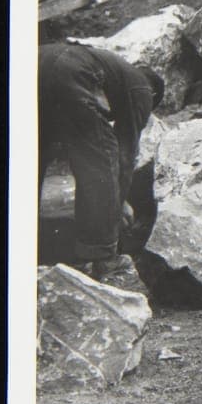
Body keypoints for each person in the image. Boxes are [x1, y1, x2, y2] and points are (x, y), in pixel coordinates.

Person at [39, 42, 164, 280]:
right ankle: (102, 258)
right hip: (70, 69)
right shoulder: (142, 87)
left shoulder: (112, 71)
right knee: (101, 158)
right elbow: (125, 154)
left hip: (35, 60)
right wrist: (117, 204)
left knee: (31, 154)